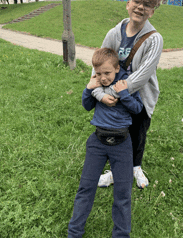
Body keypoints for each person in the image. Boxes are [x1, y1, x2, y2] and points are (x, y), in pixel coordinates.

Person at [92, 0, 163, 189]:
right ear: (128, 3)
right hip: (113, 94)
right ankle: (115, 171)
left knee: (138, 133)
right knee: (117, 132)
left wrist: (113, 91)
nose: (140, 7)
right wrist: (97, 91)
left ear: (152, 11)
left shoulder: (155, 39)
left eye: (147, 4)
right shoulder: (114, 33)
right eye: (137, 1)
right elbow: (100, 61)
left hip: (140, 96)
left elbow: (141, 77)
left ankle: (136, 167)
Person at [67, 48, 143, 238]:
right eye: (98, 73)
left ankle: (121, 234)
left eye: (107, 73)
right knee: (86, 188)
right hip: (97, 142)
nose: (103, 78)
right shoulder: (96, 86)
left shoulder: (126, 84)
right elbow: (86, 106)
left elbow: (137, 109)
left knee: (123, 193)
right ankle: (74, 233)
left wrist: (124, 94)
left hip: (122, 143)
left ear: (117, 69)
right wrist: (88, 88)